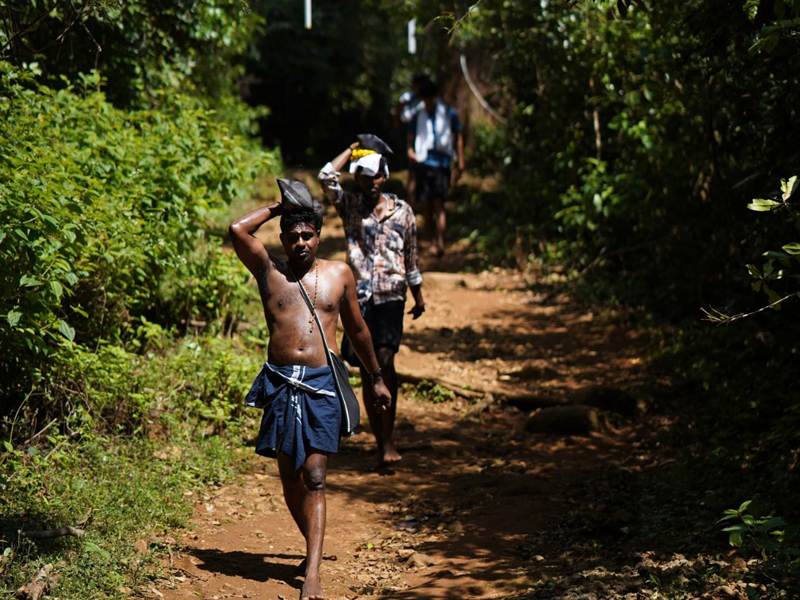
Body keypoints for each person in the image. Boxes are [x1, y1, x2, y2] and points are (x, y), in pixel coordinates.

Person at [229, 178, 391, 600]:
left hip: (322, 386)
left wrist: (375, 377)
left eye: (308, 234)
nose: (301, 241)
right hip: (282, 384)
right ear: (283, 236)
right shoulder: (270, 270)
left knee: (315, 475)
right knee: (289, 476)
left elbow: (357, 329)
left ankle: (313, 574)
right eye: (293, 235)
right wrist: (278, 206)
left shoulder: (339, 274)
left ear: (319, 235)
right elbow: (237, 231)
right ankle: (310, 546)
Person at [318, 134, 425, 469]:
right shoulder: (350, 206)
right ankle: (381, 441)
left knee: (385, 361)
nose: (371, 182)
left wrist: (418, 297)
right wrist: (352, 147)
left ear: (385, 176)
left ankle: (388, 438)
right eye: (364, 177)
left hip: (392, 297)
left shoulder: (403, 212)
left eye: (376, 175)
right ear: (357, 179)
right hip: (359, 298)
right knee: (369, 371)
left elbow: (411, 259)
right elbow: (325, 177)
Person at [407, 79, 465, 257]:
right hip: (423, 163)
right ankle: (432, 240)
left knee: (439, 202)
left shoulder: (448, 113)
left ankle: (440, 241)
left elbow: (458, 136)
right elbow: (410, 140)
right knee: (426, 204)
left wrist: (460, 161)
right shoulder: (418, 115)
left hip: (442, 163)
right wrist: (411, 154)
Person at [392, 73, 430, 209]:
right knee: (413, 176)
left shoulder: (428, 99)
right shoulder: (408, 98)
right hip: (411, 138)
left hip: (425, 140)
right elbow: (399, 116)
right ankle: (411, 210)